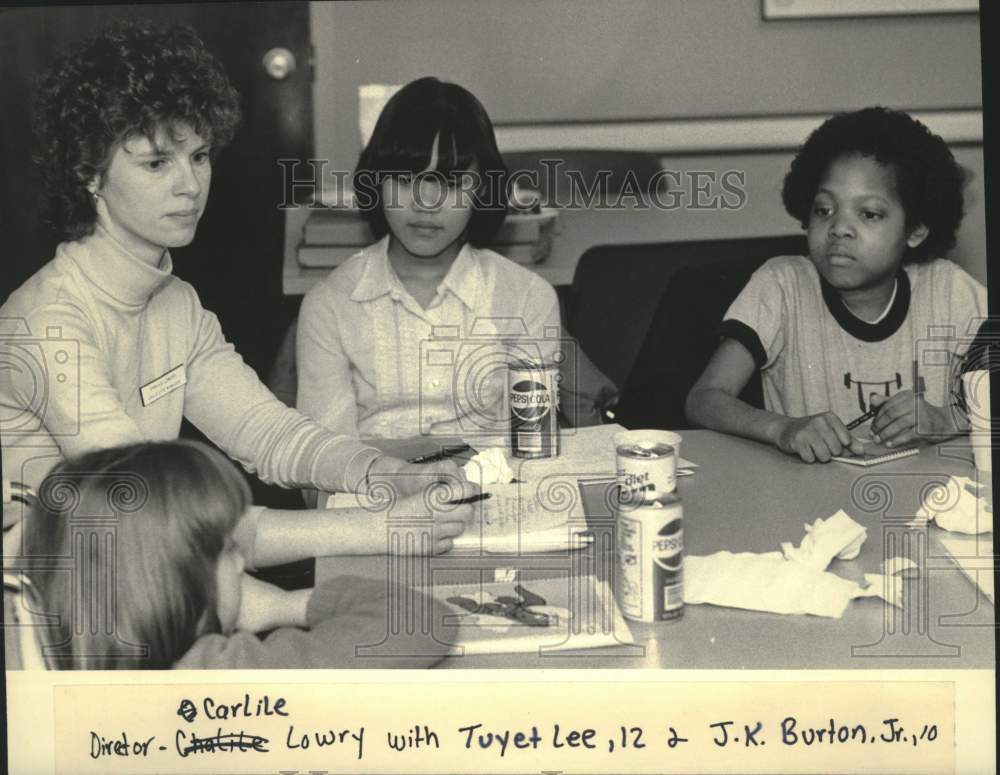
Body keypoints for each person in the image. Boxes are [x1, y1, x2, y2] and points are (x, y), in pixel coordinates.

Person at [0, 22, 475, 565]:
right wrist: (377, 528)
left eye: (198, 156)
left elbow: (268, 432)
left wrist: (382, 472)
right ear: (89, 173)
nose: (190, 185)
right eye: (157, 162)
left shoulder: (175, 303)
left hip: (135, 582)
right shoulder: (48, 324)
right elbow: (155, 516)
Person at [686, 107, 987, 462]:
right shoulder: (782, 286)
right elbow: (704, 398)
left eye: (869, 214)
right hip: (806, 505)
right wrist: (783, 428)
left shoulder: (948, 290)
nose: (839, 228)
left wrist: (946, 419)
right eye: (824, 210)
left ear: (916, 230)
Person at [11, 440, 450, 669]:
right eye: (228, 549)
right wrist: (285, 603)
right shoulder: (231, 675)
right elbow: (420, 622)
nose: (242, 563)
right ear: (178, 581)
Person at [296, 76, 561, 440]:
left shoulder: (528, 298)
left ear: (482, 189)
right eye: (406, 180)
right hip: (371, 493)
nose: (426, 203)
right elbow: (321, 465)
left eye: (451, 184)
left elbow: (534, 445)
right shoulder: (330, 306)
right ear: (376, 182)